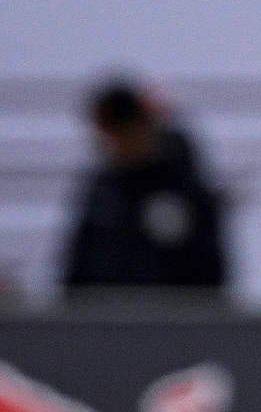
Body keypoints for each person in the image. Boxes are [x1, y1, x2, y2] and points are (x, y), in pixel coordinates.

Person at [61, 78, 228, 299]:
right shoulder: (102, 191)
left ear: (142, 127)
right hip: (105, 326)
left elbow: (209, 276)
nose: (114, 144)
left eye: (121, 133)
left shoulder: (185, 190)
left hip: (170, 325)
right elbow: (77, 268)